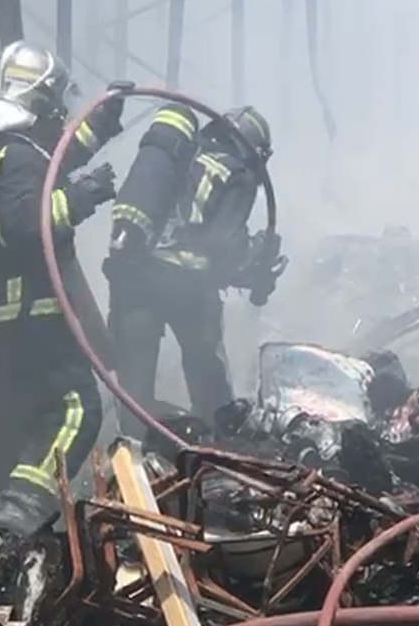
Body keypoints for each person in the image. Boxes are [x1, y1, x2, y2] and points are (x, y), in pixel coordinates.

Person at [0, 40, 127, 532]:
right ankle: (21, 516)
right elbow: (25, 225)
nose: (60, 112)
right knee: (80, 410)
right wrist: (83, 196)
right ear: (38, 99)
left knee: (3, 432)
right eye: (55, 101)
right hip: (29, 316)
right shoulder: (18, 158)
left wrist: (103, 120)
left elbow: (57, 157)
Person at [104, 104, 286, 440]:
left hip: (135, 279)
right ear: (256, 151)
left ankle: (132, 452)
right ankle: (218, 448)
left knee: (134, 388)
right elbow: (221, 247)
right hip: (188, 290)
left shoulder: (181, 154)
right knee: (209, 380)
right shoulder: (239, 174)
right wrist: (254, 256)